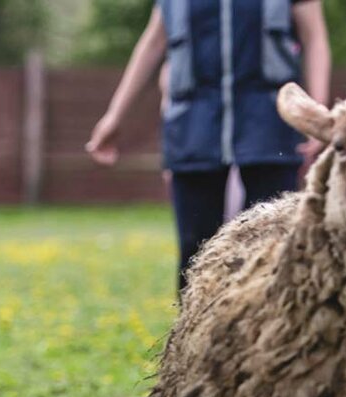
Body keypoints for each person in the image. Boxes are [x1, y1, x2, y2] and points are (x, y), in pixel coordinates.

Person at [86, 0, 331, 292]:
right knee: (196, 248)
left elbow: (314, 38)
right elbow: (152, 45)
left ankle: (269, 334)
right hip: (194, 128)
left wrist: (315, 115)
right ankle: (194, 334)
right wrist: (115, 116)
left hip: (269, 126)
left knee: (271, 244)